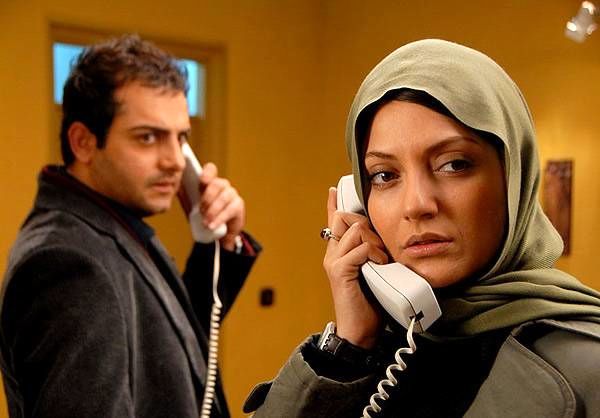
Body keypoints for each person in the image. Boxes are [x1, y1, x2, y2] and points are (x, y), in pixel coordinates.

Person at [243, 39, 600, 417]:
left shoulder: (586, 366)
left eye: (454, 165)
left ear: (513, 177)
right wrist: (347, 348)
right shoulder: (380, 355)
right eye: (384, 175)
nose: (416, 205)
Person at [0, 35, 260, 418]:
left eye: (181, 138)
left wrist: (219, 243)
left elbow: (166, 353)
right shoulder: (65, 263)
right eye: (148, 137)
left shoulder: (111, 224)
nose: (175, 161)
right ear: (83, 142)